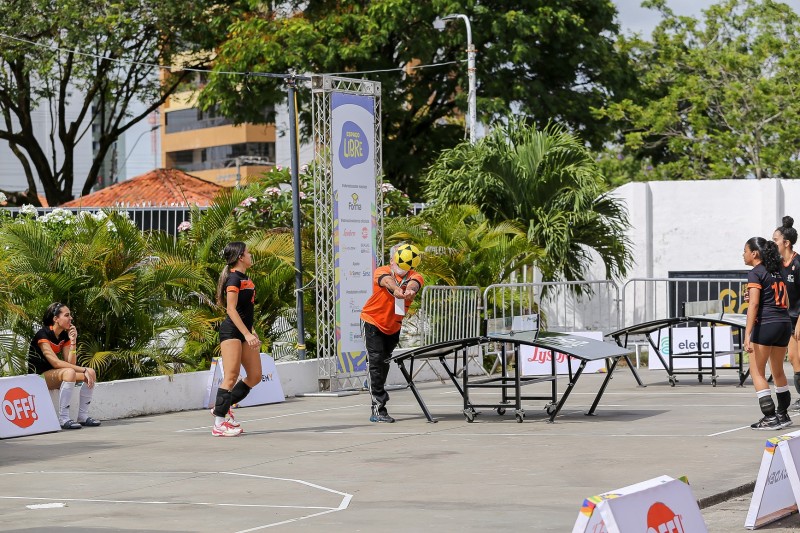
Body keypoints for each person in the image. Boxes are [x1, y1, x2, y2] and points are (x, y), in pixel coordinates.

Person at [360, 243, 424, 423]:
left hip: (393, 326)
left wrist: (410, 290)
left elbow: (415, 283)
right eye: (397, 259)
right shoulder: (381, 271)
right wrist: (397, 290)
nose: (401, 265)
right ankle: (378, 409)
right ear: (391, 260)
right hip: (372, 321)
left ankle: (373, 381)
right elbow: (387, 282)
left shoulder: (414, 275)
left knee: (383, 362)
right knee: (375, 361)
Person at [210, 241, 261, 437]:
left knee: (255, 376)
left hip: (245, 331)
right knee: (231, 376)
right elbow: (230, 309)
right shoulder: (233, 279)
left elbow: (244, 311)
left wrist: (251, 331)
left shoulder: (245, 278)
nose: (250, 255)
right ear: (240, 256)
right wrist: (246, 334)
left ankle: (223, 407)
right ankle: (219, 424)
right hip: (232, 333)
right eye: (248, 252)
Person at [743, 237, 793, 430]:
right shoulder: (777, 271)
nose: (743, 254)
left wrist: (747, 334)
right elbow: (786, 301)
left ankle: (770, 417)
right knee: (778, 371)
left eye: (745, 250)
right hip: (783, 322)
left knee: (757, 371)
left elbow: (754, 305)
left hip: (766, 324)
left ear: (754, 253)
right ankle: (783, 414)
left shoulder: (756, 273)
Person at [28, 302, 101, 430]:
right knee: (72, 372)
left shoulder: (64, 335)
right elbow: (56, 363)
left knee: (91, 372)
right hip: (37, 378)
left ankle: (83, 416)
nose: (71, 318)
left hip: (54, 376)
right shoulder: (42, 334)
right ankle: (64, 418)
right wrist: (83, 370)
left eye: (70, 315)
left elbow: (71, 363)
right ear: (56, 319)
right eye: (67, 315)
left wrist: (73, 341)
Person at [773, 216, 800, 413]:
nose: (773, 243)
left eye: (775, 240)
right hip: (786, 319)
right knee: (793, 358)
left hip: (799, 318)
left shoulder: (798, 264)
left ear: (786, 243)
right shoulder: (775, 265)